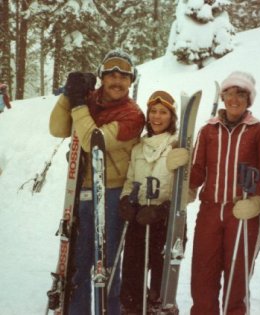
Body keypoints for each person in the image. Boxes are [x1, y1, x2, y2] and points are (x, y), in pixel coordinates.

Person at [49, 49, 145, 315]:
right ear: (102, 77)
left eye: (123, 76)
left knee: (107, 265)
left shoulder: (133, 115)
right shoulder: (89, 100)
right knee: (78, 264)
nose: (117, 81)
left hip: (112, 193)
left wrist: (79, 106)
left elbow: (94, 142)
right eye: (111, 75)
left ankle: (108, 311)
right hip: (81, 190)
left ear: (131, 81)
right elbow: (57, 129)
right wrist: (70, 95)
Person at [188, 71, 260, 315]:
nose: (234, 100)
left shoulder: (259, 131)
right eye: (230, 94)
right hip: (211, 210)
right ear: (223, 97)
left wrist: (257, 200)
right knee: (203, 274)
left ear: (249, 99)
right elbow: (196, 172)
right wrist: (183, 180)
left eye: (241, 94)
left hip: (242, 211)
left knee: (237, 275)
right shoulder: (208, 131)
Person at [118, 90, 188, 315]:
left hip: (166, 221)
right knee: (132, 281)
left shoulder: (178, 146)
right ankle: (134, 308)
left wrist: (165, 209)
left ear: (172, 117)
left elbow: (190, 189)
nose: (157, 117)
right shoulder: (139, 147)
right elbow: (130, 181)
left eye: (163, 112)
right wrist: (126, 201)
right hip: (139, 218)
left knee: (161, 283)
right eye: (153, 112)